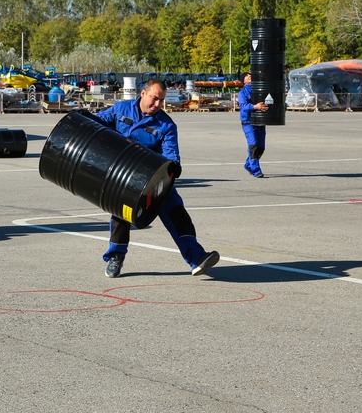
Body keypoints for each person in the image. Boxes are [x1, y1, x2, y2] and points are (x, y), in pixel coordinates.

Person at [90, 79, 220, 278]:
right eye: (154, 98)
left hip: (154, 179)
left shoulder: (166, 125)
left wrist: (172, 168)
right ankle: (116, 257)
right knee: (120, 216)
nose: (158, 104)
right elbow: (97, 122)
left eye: (161, 101)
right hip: (123, 177)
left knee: (178, 214)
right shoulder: (120, 109)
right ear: (143, 94)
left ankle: (197, 258)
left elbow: (171, 155)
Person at [238, 72, 268, 178]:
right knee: (253, 145)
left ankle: (248, 164)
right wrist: (255, 107)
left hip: (260, 121)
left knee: (261, 147)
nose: (249, 76)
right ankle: (256, 170)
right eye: (246, 76)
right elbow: (244, 106)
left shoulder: (260, 89)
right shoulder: (242, 93)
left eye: (250, 75)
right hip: (248, 122)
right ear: (243, 80)